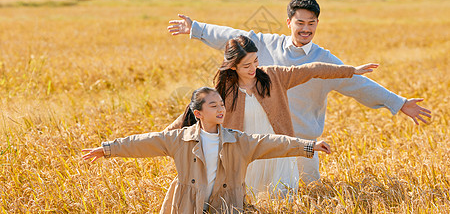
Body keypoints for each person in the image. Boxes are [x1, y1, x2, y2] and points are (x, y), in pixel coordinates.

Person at [166, 0, 432, 183]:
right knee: (251, 193)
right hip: (263, 143)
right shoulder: (265, 44)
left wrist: (398, 103)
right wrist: (196, 28)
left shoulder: (324, 59)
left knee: (311, 191)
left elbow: (358, 83)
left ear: (317, 24)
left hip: (303, 143)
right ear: (289, 23)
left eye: (311, 23)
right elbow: (230, 36)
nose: (306, 29)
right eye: (300, 23)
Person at [165, 35, 377, 196]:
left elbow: (311, 69)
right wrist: (163, 137)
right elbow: (193, 114)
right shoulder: (224, 89)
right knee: (248, 200)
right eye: (246, 65)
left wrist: (350, 70)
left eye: (256, 61)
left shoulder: (274, 75)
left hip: (277, 151)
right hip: (247, 155)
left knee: (283, 197)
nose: (254, 68)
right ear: (233, 66)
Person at [82, 87, 331, 214]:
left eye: (222, 104)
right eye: (214, 106)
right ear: (198, 113)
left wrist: (308, 146)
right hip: (188, 205)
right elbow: (143, 142)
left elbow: (272, 142)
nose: (221, 109)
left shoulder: (239, 141)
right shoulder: (179, 139)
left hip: (226, 205)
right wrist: (107, 149)